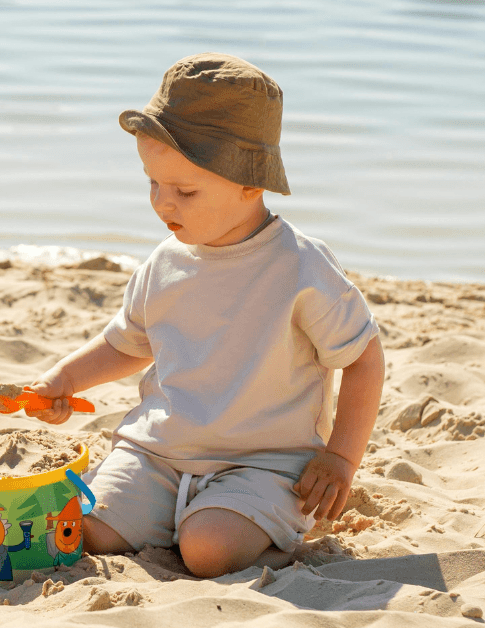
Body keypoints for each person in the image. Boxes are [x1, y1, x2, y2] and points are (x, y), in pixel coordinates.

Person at [28, 53, 385, 578]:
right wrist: (63, 377)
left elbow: (363, 359)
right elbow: (129, 343)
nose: (161, 204)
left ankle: (259, 530)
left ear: (250, 183)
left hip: (265, 462)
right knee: (88, 529)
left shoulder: (300, 266)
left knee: (208, 551)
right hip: (160, 453)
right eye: (152, 183)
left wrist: (340, 459)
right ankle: (171, 515)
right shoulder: (165, 261)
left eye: (185, 191)